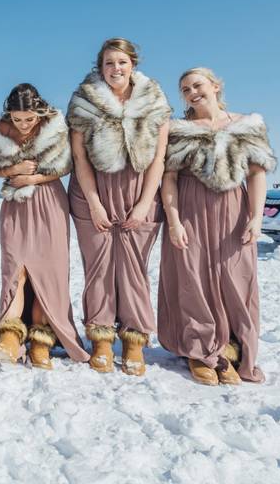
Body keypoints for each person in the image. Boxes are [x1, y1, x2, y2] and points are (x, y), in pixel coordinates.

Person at [158, 67, 274, 385]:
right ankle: (201, 353)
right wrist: (173, 221)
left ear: (215, 85)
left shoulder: (245, 124)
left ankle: (232, 351)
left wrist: (256, 216)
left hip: (233, 210)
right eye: (185, 89)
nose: (192, 92)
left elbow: (257, 174)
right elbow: (168, 178)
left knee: (236, 281)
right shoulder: (178, 130)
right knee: (193, 280)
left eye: (197, 85)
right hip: (191, 210)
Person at [66, 38, 170, 375]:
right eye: (109, 63)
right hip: (92, 190)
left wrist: (143, 205)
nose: (116, 69)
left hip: (140, 190)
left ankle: (134, 340)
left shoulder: (154, 100)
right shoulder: (84, 100)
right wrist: (94, 203)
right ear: (100, 67)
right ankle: (100, 337)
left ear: (133, 65)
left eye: (122, 62)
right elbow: (79, 157)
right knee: (98, 268)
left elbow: (159, 158)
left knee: (133, 268)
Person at [0, 83, 89, 369]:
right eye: (17, 119)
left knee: (47, 272)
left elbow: (67, 166)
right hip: (15, 205)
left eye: (29, 119)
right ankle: (9, 336)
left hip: (50, 203)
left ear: (39, 112)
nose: (23, 124)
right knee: (15, 269)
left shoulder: (56, 127)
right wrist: (12, 171)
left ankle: (41, 341)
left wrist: (33, 180)